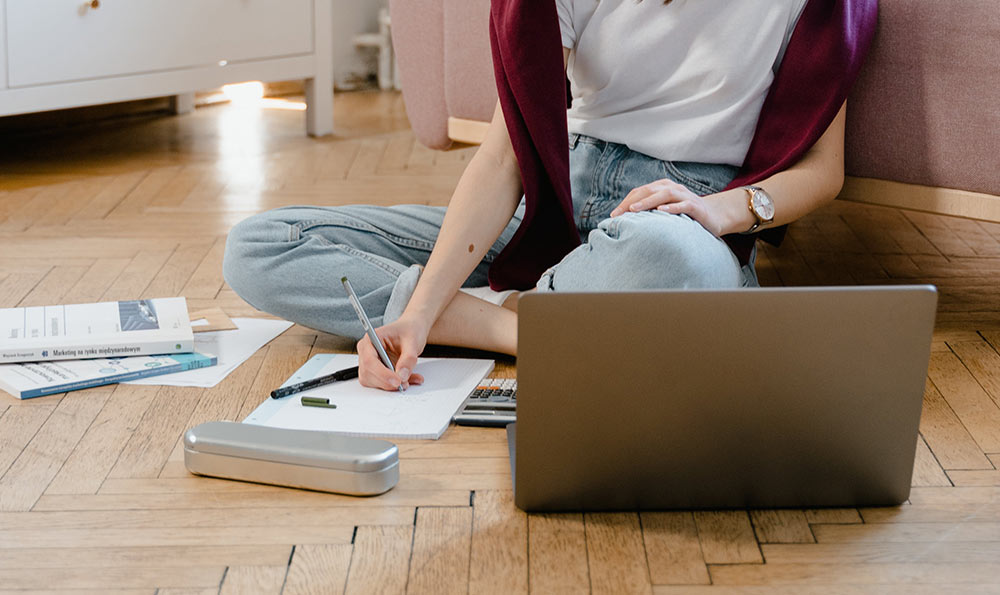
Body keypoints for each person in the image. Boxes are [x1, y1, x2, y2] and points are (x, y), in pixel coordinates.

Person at [224, 0, 856, 392]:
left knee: (672, 263)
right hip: (554, 200)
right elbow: (503, 158)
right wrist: (419, 314)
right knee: (259, 247)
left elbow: (824, 170)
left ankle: (488, 311)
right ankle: (506, 323)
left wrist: (721, 212)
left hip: (681, 218)